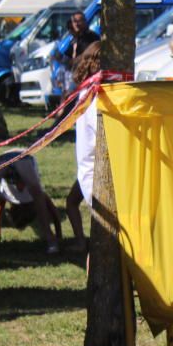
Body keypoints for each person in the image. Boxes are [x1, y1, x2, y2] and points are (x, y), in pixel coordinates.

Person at [0, 151, 61, 256]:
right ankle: (50, 237)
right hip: (22, 156)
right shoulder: (34, 196)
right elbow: (53, 211)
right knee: (34, 187)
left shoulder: (8, 196)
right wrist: (58, 234)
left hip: (5, 158)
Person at [67, 41, 102, 252]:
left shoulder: (87, 92)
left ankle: (81, 241)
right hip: (93, 171)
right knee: (102, 245)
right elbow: (103, 134)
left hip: (88, 169)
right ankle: (81, 241)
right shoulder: (94, 95)